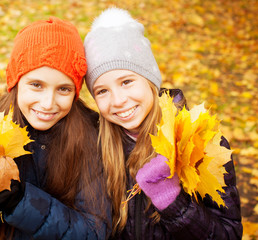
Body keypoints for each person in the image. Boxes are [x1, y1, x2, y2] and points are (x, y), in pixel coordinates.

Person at [84, 8, 242, 239]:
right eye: (102, 91)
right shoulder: (95, 143)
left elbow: (228, 234)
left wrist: (174, 205)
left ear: (150, 80)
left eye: (127, 81)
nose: (118, 100)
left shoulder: (200, 144)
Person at [0, 17, 111, 239]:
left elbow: (94, 231)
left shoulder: (91, 137)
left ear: (75, 93)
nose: (47, 103)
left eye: (63, 89)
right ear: (15, 83)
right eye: (36, 85)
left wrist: (23, 203)